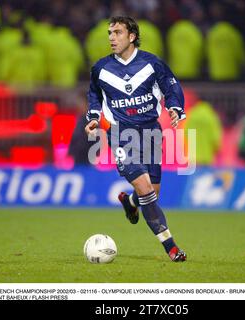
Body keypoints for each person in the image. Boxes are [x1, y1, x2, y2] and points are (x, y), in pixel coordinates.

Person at [84, 16, 186, 262]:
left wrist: (174, 107)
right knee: (146, 190)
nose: (111, 37)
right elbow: (94, 96)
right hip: (121, 135)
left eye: (117, 32)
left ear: (131, 36)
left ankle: (130, 202)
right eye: (110, 33)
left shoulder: (152, 64)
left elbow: (171, 87)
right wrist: (94, 117)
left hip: (151, 132)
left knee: (153, 193)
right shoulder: (101, 68)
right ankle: (171, 247)